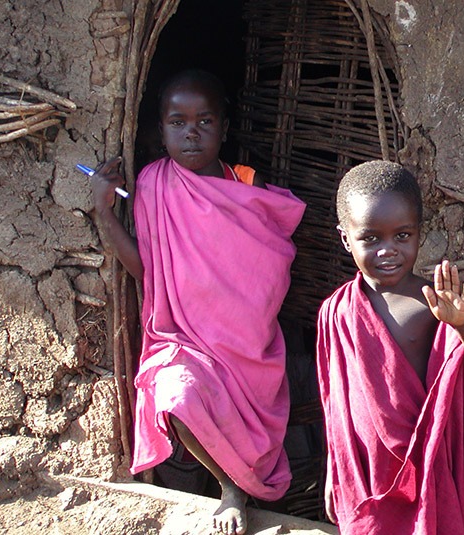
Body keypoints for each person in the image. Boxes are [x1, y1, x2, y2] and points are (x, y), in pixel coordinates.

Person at [89, 69, 306, 535]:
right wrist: (104, 211)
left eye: (205, 121)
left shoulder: (246, 183)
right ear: (160, 129)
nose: (192, 132)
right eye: (178, 122)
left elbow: (268, 263)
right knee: (175, 392)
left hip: (245, 342)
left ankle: (238, 484)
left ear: (224, 129)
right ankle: (231, 486)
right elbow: (147, 268)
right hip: (182, 337)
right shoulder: (152, 185)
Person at [316, 160, 464, 534]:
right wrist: (334, 473)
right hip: (369, 468)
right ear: (345, 238)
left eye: (402, 236)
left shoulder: (437, 302)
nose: (388, 250)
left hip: (429, 460)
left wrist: (461, 323)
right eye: (371, 238)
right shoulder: (336, 312)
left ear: (419, 234)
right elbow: (334, 402)